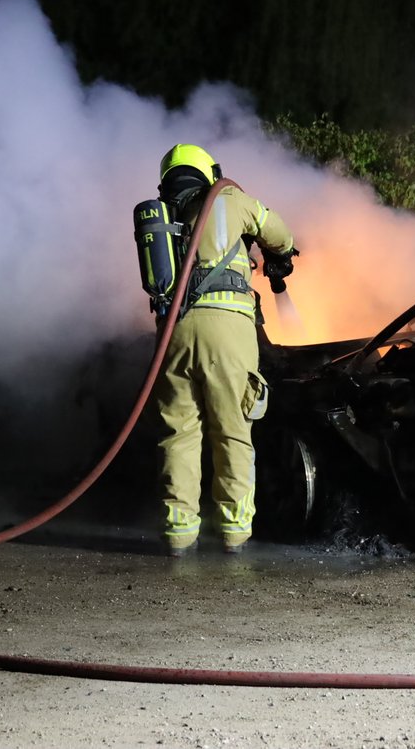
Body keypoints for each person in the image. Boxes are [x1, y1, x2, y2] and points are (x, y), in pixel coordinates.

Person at [149, 143, 297, 557]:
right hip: (227, 332)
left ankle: (178, 535)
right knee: (232, 430)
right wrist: (281, 256)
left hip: (174, 335)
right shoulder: (229, 199)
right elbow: (280, 234)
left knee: (179, 434)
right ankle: (234, 533)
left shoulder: (162, 218)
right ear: (207, 173)